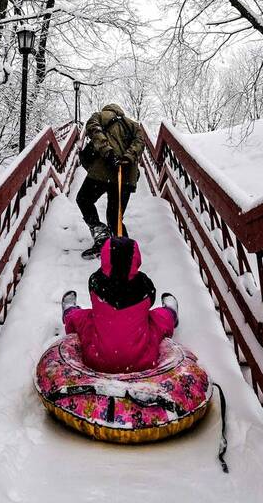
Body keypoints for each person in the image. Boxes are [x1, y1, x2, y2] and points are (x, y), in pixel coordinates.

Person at [61, 236, 179, 373]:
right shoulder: (144, 284)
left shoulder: (96, 281)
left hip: (97, 358)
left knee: (84, 318)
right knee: (155, 319)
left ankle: (69, 312)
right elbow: (150, 302)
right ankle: (171, 312)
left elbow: (94, 299)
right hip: (142, 359)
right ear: (136, 259)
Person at [78, 103, 143, 259]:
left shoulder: (98, 116)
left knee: (84, 199)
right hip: (126, 175)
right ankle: (126, 255)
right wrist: (128, 157)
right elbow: (139, 143)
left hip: (102, 172)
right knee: (115, 216)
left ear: (107, 109)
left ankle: (101, 236)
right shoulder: (134, 125)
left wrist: (108, 152)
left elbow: (94, 131)